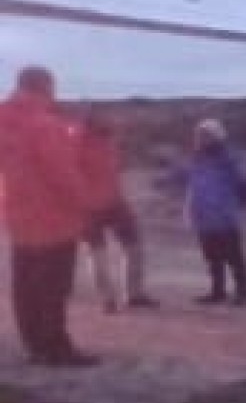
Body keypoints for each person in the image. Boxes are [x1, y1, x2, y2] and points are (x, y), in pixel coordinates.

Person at [0, 65, 97, 364]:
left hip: (17, 216)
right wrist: (86, 204)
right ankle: (55, 348)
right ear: (45, 87)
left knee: (25, 284)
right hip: (53, 219)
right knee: (53, 287)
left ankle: (35, 345)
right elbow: (62, 173)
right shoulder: (44, 125)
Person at [75, 108, 158, 312]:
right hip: (89, 205)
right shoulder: (78, 142)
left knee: (132, 246)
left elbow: (114, 169)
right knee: (98, 252)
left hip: (113, 200)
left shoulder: (107, 141)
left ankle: (132, 294)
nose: (110, 119)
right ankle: (109, 298)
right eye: (104, 115)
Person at [185, 118, 246, 305]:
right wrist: (191, 208)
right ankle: (218, 291)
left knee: (233, 255)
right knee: (212, 256)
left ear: (216, 136)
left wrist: (240, 205)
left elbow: (244, 183)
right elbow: (193, 183)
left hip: (224, 215)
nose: (201, 138)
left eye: (205, 135)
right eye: (199, 135)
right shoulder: (198, 157)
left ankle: (242, 293)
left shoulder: (229, 157)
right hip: (205, 215)